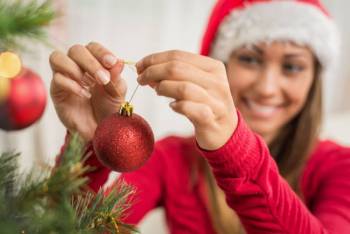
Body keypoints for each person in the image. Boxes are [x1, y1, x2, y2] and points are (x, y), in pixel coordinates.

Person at [49, 0, 350, 233]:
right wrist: (85, 145)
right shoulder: (170, 158)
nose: (267, 88)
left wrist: (235, 148)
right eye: (249, 59)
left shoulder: (339, 166)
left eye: (292, 67)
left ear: (314, 80)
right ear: (220, 63)